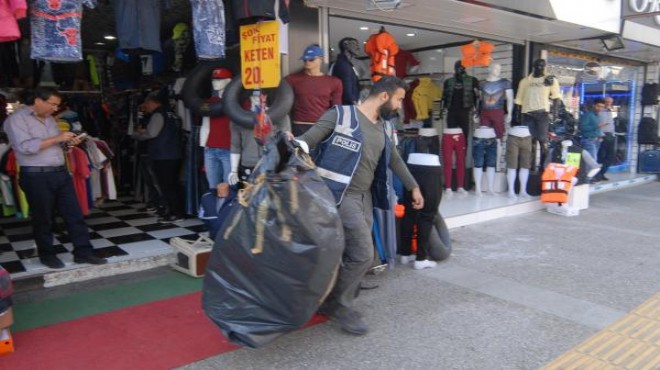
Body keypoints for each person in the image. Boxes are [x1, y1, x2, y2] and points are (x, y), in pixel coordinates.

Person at [294, 76, 424, 336]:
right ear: (384, 97)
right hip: (338, 196)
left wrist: (413, 186)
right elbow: (306, 142)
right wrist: (291, 144)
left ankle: (334, 293)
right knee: (364, 254)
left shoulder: (385, 128)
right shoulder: (340, 116)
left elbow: (394, 160)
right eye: (399, 99)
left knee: (351, 253)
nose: (400, 106)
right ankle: (338, 304)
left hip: (364, 197)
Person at [3, 87, 107, 269]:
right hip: (36, 176)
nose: (55, 108)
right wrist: (57, 138)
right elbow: (25, 147)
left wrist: (68, 144)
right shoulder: (16, 120)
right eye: (52, 104)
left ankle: (83, 251)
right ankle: (47, 254)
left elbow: (57, 147)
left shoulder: (50, 119)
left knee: (74, 214)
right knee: (44, 218)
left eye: (57, 105)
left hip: (60, 172)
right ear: (37, 101)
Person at [133, 92, 184, 223]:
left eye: (147, 104)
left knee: (166, 185)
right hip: (175, 153)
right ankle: (178, 211)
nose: (146, 107)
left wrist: (137, 135)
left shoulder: (158, 114)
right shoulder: (172, 114)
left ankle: (173, 213)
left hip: (162, 155)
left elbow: (152, 133)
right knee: (174, 184)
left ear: (152, 102)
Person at [285, 44, 342, 136]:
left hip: (323, 127)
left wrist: (336, 130)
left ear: (321, 59)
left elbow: (336, 109)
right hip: (300, 126)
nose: (307, 62)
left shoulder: (334, 82)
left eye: (311, 59)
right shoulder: (291, 80)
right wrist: (286, 129)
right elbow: (283, 106)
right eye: (305, 59)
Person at [515, 59, 561, 170]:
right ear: (533, 66)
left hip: (542, 114)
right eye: (538, 66)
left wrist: (555, 114)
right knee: (529, 143)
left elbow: (556, 97)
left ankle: (543, 168)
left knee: (543, 141)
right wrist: (517, 115)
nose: (540, 68)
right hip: (528, 114)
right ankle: (530, 169)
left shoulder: (549, 79)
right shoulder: (525, 81)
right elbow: (519, 100)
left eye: (542, 66)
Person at [474, 63, 513, 196]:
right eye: (495, 68)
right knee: (482, 141)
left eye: (499, 68)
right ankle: (484, 167)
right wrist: (476, 113)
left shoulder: (505, 83)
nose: (497, 70)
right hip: (485, 112)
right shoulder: (482, 84)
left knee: (498, 140)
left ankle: (494, 164)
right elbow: (479, 100)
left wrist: (510, 113)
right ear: (489, 69)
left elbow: (510, 99)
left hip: (498, 112)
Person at [442, 60, 480, 196]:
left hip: (465, 113)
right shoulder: (448, 82)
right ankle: (449, 184)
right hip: (451, 113)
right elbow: (443, 98)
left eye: (461, 67)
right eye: (457, 67)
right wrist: (442, 111)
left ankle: (460, 184)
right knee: (449, 148)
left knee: (463, 147)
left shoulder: (473, 80)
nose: (459, 69)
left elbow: (477, 98)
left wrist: (476, 112)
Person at [202, 68, 233, 190]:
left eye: (219, 79)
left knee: (229, 187)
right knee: (212, 187)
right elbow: (205, 125)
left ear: (229, 81)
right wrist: (204, 146)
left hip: (229, 149)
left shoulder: (236, 102)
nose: (215, 82)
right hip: (210, 149)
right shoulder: (210, 103)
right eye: (214, 79)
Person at [331, 37, 361, 105]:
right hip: (347, 105)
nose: (358, 48)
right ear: (345, 45)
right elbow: (346, 90)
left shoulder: (346, 63)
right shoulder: (343, 64)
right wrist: (354, 102)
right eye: (355, 45)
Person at [594, 96, 615, 182]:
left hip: (610, 136)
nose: (608, 104)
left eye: (610, 102)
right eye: (607, 102)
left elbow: (610, 124)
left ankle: (602, 173)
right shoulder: (599, 112)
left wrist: (613, 134)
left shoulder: (609, 111)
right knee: (600, 156)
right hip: (602, 136)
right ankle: (597, 175)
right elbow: (597, 124)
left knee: (610, 157)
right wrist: (600, 135)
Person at [578, 98, 605, 163]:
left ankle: (590, 173)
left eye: (602, 107)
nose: (600, 108)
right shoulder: (588, 115)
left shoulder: (597, 116)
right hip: (588, 140)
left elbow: (596, 128)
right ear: (594, 105)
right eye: (598, 106)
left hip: (596, 140)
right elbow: (582, 128)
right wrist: (597, 126)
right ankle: (588, 173)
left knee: (592, 161)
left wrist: (600, 135)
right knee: (592, 162)